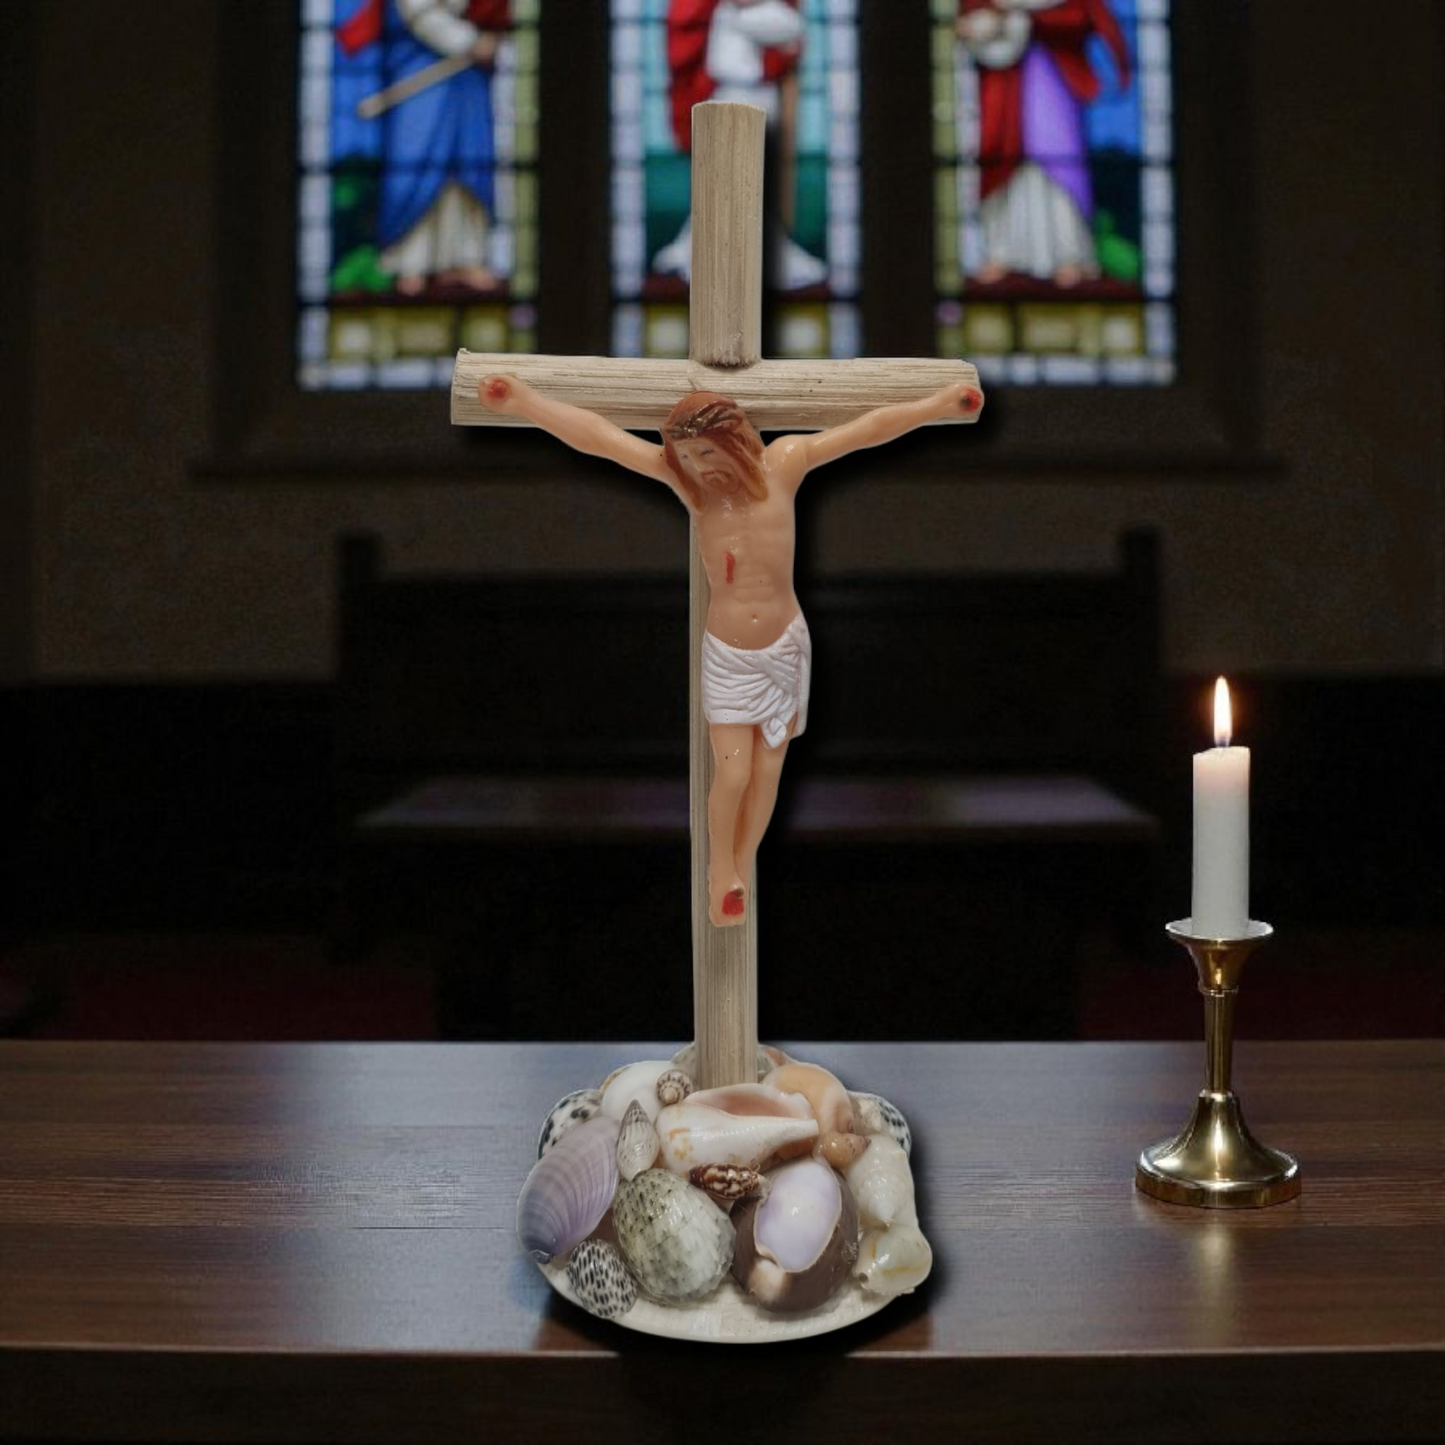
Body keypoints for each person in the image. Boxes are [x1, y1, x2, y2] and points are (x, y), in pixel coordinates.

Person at [477, 373, 982, 926]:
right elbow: (600, 438)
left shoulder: (784, 465)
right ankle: (720, 868)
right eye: (688, 454)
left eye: (706, 451)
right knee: (734, 775)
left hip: (785, 647)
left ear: (737, 440)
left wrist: (939, 404)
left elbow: (865, 431)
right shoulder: (691, 488)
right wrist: (523, 402)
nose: (699, 464)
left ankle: (739, 873)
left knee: (768, 774)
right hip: (730, 653)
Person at [338, 0, 512, 295]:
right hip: (422, 71)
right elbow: (419, 11)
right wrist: (469, 41)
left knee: (467, 164)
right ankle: (409, 261)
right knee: (416, 161)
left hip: (466, 79)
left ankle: (465, 258)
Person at [956, 0, 1129, 288]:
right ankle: (1001, 251)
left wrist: (1030, 20)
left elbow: (1082, 17)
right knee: (1003, 165)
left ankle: (1069, 254)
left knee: (1060, 161)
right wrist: (990, 25)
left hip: (1052, 77)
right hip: (1003, 90)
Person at [656, 0, 827, 290]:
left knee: (756, 187)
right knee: (716, 185)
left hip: (757, 99)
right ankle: (702, 253)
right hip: (723, 98)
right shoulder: (715, 11)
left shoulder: (766, 13)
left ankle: (759, 257)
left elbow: (789, 30)